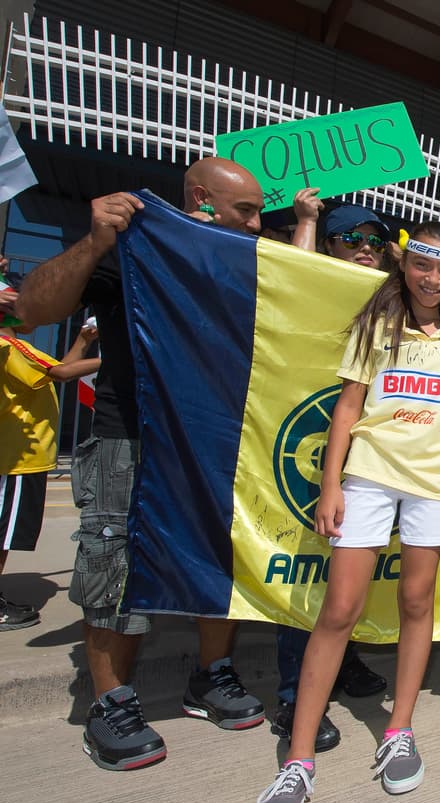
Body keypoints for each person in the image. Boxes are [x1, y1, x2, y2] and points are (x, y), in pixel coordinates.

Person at [14, 157, 269, 771]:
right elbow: (32, 311)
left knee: (219, 559)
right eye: (247, 212)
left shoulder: (253, 261)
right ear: (202, 200)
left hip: (214, 442)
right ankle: (110, 701)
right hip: (128, 434)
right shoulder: (136, 246)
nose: (260, 225)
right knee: (114, 566)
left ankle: (211, 676)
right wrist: (97, 238)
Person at [251, 221, 440, 803]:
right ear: (404, 265)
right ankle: (298, 760)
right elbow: (347, 410)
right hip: (368, 478)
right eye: (424, 266)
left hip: (434, 489)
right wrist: (330, 485)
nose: (434, 280)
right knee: (339, 611)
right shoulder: (375, 325)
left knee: (417, 603)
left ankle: (399, 730)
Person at [257, 196, 389, 754]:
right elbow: (296, 274)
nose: (364, 250)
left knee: (353, 574)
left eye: (374, 242)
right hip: (310, 441)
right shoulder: (315, 281)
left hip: (375, 455)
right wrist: (307, 222)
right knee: (310, 566)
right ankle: (294, 694)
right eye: (351, 239)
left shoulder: (392, 298)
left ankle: (347, 660)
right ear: (330, 244)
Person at [1, 318, 100, 628]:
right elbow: (62, 372)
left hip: (20, 458)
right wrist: (115, 358)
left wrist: (83, 340)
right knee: (3, 535)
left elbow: (54, 371)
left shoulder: (17, 347)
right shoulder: (9, 346)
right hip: (17, 460)